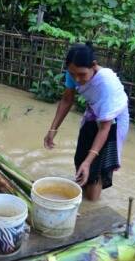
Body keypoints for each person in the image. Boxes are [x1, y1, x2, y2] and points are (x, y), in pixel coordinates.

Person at [44, 43, 129, 201]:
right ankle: (84, 182)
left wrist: (89, 162)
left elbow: (104, 128)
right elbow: (67, 99)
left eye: (82, 75)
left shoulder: (106, 84)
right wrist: (52, 129)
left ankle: (92, 202)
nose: (77, 79)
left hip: (112, 121)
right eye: (72, 74)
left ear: (94, 66)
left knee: (96, 168)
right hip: (93, 113)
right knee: (80, 158)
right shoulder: (74, 71)